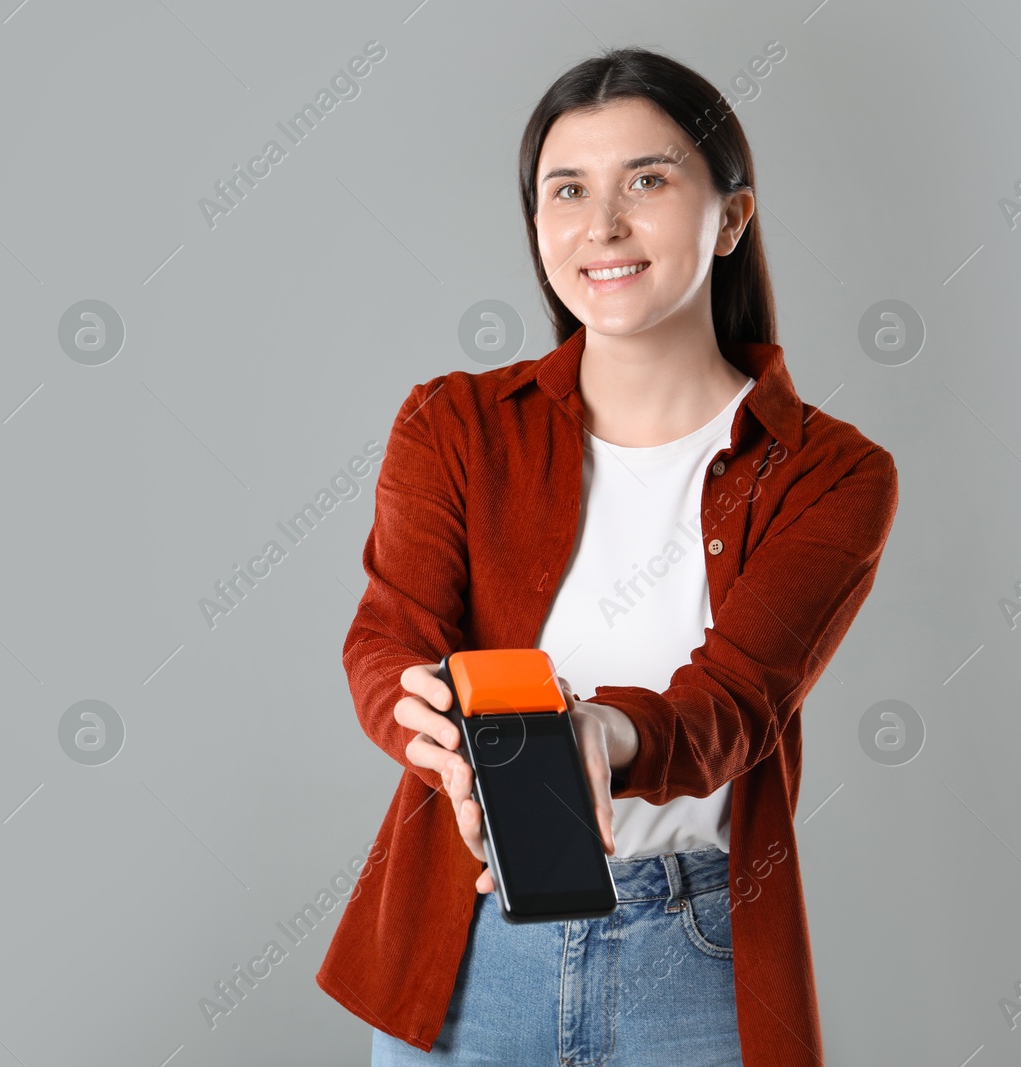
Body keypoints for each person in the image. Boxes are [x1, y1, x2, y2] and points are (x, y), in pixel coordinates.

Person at [314, 47, 899, 1066]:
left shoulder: (831, 473)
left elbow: (735, 704)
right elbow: (390, 637)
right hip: (467, 942)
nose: (604, 224)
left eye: (648, 180)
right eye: (567, 189)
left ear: (732, 216)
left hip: (696, 955)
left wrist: (602, 731)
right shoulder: (452, 424)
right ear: (537, 225)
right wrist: (423, 723)